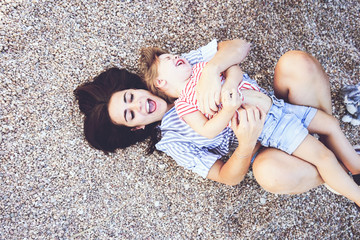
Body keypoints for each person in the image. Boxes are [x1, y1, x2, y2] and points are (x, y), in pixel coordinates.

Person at [74, 39, 360, 208]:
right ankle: (339, 171)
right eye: (131, 114)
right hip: (267, 141)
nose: (137, 104)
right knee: (270, 173)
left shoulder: (180, 70)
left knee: (295, 62)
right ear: (136, 127)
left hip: (276, 105)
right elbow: (227, 176)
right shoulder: (173, 140)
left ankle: (340, 158)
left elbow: (236, 46)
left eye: (130, 97)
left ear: (134, 88)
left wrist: (214, 70)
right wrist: (247, 144)